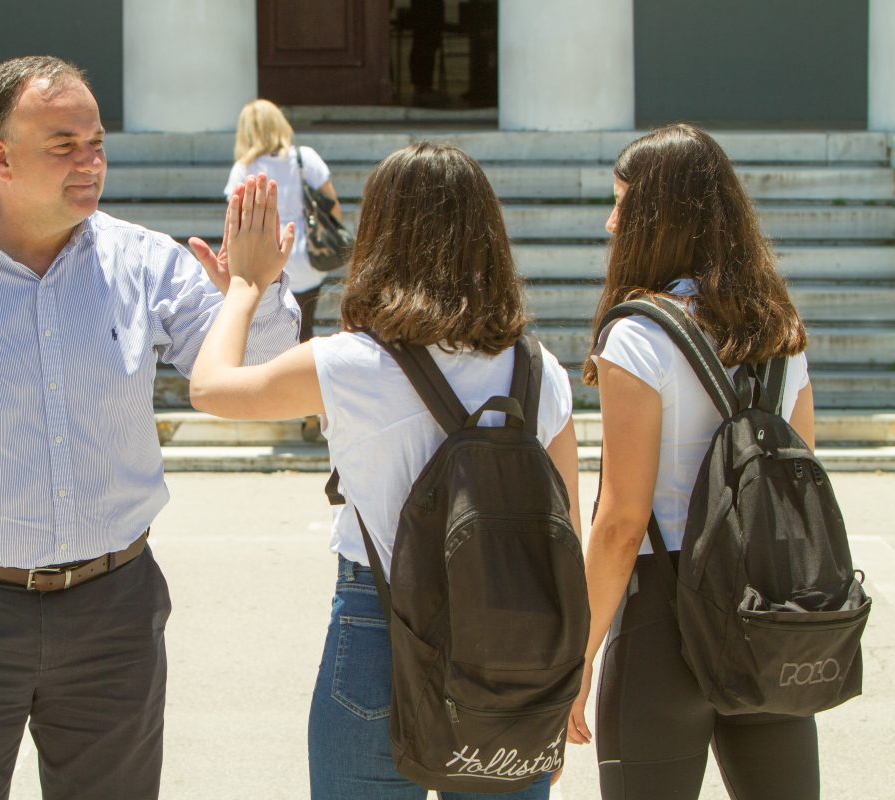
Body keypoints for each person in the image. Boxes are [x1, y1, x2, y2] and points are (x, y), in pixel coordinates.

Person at [0, 55, 299, 799]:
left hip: (114, 611)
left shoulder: (147, 264)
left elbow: (251, 383)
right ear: (0, 157)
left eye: (97, 141)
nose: (90, 161)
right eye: (64, 144)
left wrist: (252, 294)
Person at [189, 142, 581, 800]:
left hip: (379, 618)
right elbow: (563, 528)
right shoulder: (540, 371)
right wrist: (564, 680)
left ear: (383, 235)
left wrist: (246, 290)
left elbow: (212, 387)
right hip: (516, 631)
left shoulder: (353, 364)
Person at [566, 123, 819, 799]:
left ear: (658, 219)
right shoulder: (780, 330)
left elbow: (621, 523)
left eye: (623, 204)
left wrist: (580, 659)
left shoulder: (638, 336)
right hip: (768, 610)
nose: (611, 221)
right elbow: (802, 479)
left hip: (662, 618)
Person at [226, 99, 343, 346]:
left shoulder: (244, 168)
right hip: (306, 253)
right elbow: (332, 204)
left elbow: (234, 219)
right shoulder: (305, 157)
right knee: (305, 324)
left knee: (268, 328)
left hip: (265, 252)